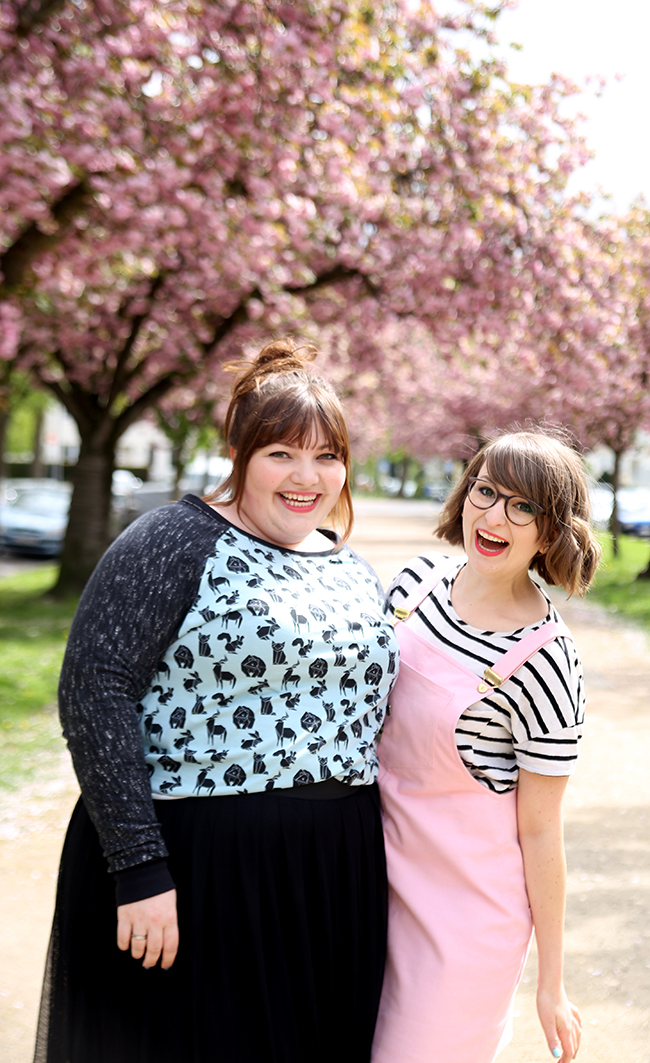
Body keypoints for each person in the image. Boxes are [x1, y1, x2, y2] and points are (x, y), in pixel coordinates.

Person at [35, 340, 399, 1063]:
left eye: (328, 456)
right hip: (201, 866)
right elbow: (93, 689)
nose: (308, 477)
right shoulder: (173, 540)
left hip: (332, 873)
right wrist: (139, 867)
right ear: (238, 452)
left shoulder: (350, 565)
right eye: (281, 455)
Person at [372, 428, 601, 1063]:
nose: (495, 515)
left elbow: (541, 832)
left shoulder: (548, 662)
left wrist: (551, 981)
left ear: (550, 532)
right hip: (365, 882)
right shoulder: (413, 588)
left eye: (523, 506)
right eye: (486, 491)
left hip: (464, 921)